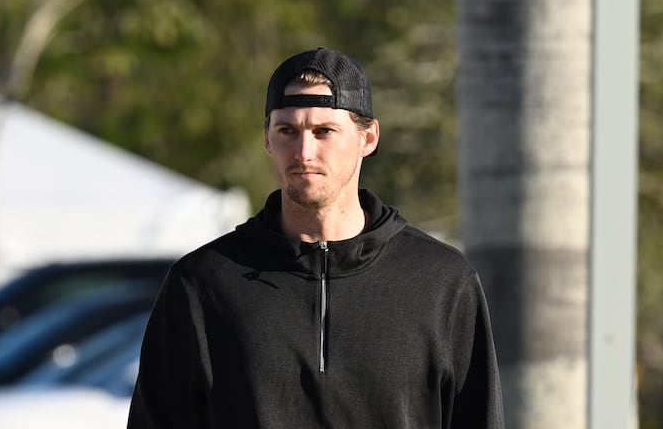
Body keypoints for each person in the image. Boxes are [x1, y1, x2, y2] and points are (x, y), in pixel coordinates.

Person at [127, 47, 504, 428]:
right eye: (287, 130)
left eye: (324, 131)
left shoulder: (441, 282)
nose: (304, 152)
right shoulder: (203, 283)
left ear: (367, 138)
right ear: (267, 140)